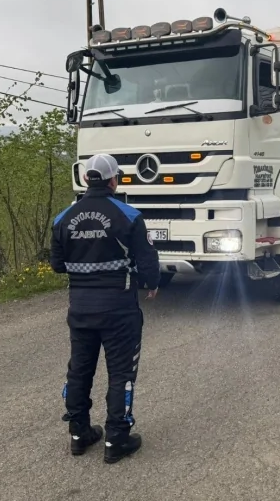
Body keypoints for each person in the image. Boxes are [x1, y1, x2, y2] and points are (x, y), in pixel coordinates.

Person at [50, 153, 161, 464]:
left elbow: (57, 265)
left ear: (86, 179)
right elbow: (147, 258)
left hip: (80, 308)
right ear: (115, 180)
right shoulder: (128, 215)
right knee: (121, 372)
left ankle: (78, 434)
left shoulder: (63, 219)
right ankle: (117, 439)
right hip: (119, 308)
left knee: (79, 370)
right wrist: (151, 284)